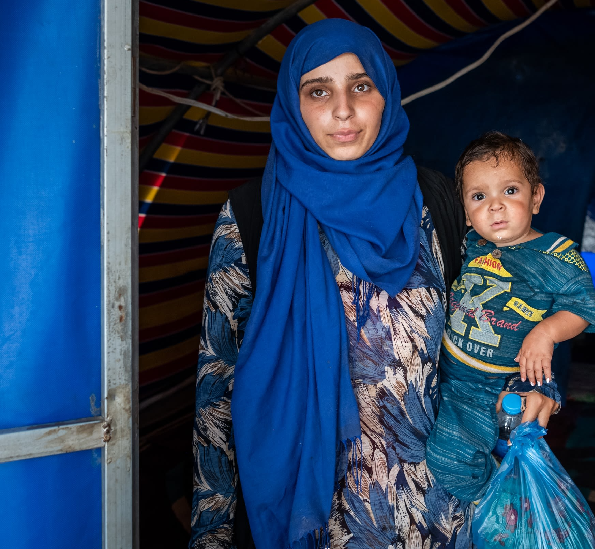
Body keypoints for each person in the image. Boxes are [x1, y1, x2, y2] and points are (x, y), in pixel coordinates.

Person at [189, 20, 561, 549]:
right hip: (312, 519)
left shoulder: (438, 204)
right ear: (294, 106)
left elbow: (512, 307)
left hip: (440, 514)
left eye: (360, 86)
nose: (343, 110)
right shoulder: (253, 217)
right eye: (319, 91)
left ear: (386, 94)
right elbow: (216, 384)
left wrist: (538, 384)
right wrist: (212, 532)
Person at [425, 131, 595, 505]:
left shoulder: (555, 254)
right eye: (479, 197)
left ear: (535, 197)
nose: (495, 206)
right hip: (453, 378)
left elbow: (583, 309)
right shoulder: (470, 244)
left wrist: (546, 332)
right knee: (438, 448)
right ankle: (497, 484)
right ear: (466, 213)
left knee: (449, 462)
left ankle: (506, 500)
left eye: (510, 191)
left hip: (506, 383)